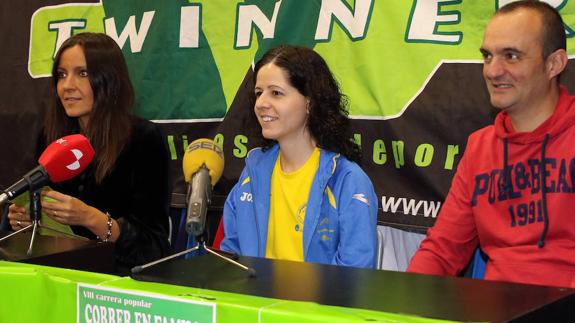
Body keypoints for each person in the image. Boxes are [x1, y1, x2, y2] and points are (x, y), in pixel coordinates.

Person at [408, 1, 574, 288]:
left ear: (554, 64)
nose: (493, 71)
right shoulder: (480, 147)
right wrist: (395, 308)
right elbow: (443, 249)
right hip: (498, 309)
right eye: (487, 56)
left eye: (511, 56)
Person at [6, 33, 171, 271]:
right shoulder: (50, 136)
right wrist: (26, 220)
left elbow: (153, 247)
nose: (67, 85)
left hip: (115, 283)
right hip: (55, 273)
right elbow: (42, 235)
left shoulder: (144, 139)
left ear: (109, 79)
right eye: (62, 75)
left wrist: (90, 218)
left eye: (82, 73)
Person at [220, 45, 378, 268]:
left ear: (309, 102)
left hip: (317, 304)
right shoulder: (251, 174)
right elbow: (231, 256)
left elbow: (355, 274)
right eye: (258, 93)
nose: (261, 103)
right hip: (254, 301)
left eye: (276, 93)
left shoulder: (348, 180)